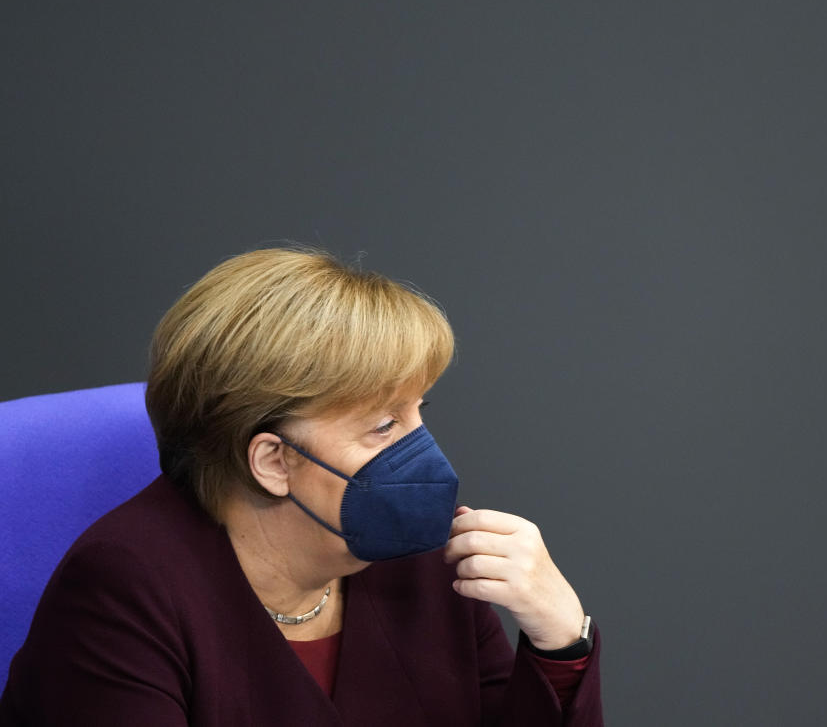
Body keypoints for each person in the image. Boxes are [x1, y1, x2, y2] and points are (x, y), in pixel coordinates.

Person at [0, 248, 603, 726]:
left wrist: (560, 641)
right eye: (384, 424)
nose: (424, 453)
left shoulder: (417, 556)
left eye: (419, 412)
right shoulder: (122, 589)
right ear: (273, 460)